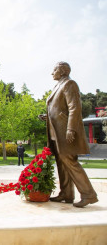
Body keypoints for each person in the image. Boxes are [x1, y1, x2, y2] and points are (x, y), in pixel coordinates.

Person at [39, 61, 98, 208]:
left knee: (70, 161)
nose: (52, 73)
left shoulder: (69, 84)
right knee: (61, 162)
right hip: (56, 131)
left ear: (63, 71)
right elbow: (60, 109)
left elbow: (74, 108)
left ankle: (89, 194)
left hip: (65, 131)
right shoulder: (58, 85)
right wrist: (48, 117)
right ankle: (66, 193)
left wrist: (71, 129)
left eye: (54, 70)